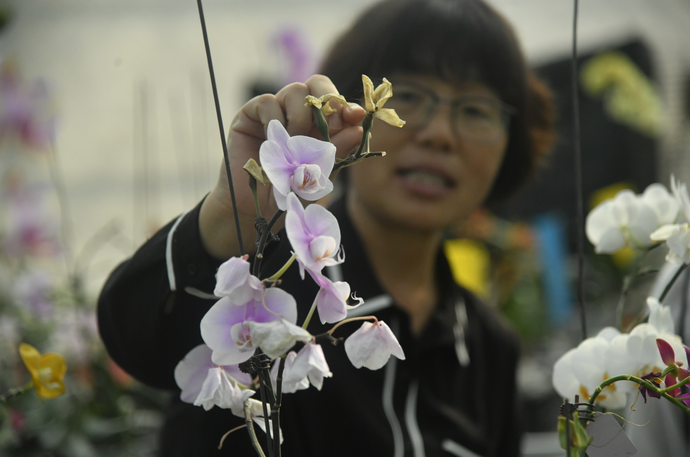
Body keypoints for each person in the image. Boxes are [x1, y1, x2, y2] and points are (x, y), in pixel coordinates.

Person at [97, 0, 555, 455]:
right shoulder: (262, 283)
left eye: (475, 110)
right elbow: (134, 340)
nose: (439, 133)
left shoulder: (490, 350)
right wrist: (229, 220)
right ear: (349, 114)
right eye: (410, 97)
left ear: (509, 145)